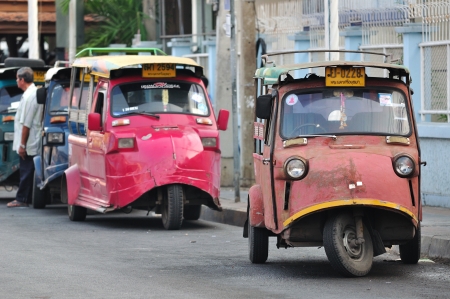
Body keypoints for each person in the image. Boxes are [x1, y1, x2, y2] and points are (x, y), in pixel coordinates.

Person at [7, 67, 43, 207]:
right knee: (26, 170)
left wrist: (22, 145)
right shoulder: (29, 94)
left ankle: (22, 199)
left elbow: (26, 124)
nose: (16, 81)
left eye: (17, 78)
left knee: (26, 171)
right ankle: (24, 198)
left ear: (22, 80)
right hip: (30, 140)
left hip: (29, 142)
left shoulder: (30, 96)